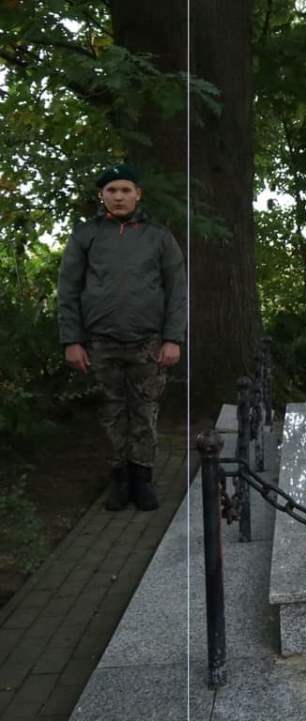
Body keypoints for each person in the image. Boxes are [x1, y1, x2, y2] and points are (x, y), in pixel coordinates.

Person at [58, 164, 186, 511]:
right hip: (100, 343)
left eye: (125, 190)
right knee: (112, 412)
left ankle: (142, 479)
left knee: (144, 411)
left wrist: (173, 338)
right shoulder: (85, 235)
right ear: (101, 195)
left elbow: (177, 290)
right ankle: (119, 479)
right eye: (111, 190)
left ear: (138, 194)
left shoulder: (159, 236)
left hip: (148, 343)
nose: (118, 197)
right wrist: (72, 340)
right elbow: (68, 290)